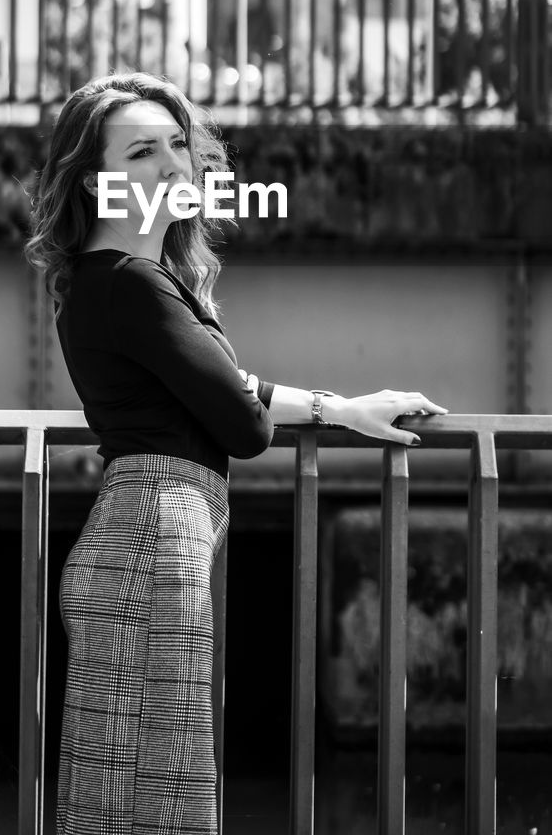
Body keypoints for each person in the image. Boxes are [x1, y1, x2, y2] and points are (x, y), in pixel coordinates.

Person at [25, 71, 447, 835]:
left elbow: (225, 386)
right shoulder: (132, 286)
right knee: (162, 807)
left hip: (142, 553)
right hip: (147, 558)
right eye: (142, 151)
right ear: (98, 182)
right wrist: (279, 405)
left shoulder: (122, 283)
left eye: (178, 144)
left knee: (124, 804)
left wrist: (341, 410)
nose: (171, 165)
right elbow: (244, 426)